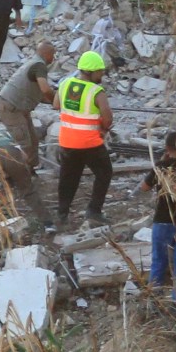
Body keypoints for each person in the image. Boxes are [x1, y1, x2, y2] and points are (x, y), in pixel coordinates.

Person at [57, 50, 115, 225]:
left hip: (67, 142)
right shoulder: (97, 91)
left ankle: (62, 214)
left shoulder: (65, 84)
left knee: (68, 178)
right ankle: (94, 210)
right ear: (91, 72)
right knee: (104, 173)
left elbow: (55, 104)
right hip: (90, 143)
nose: (102, 74)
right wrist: (104, 129)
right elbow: (108, 118)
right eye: (100, 71)